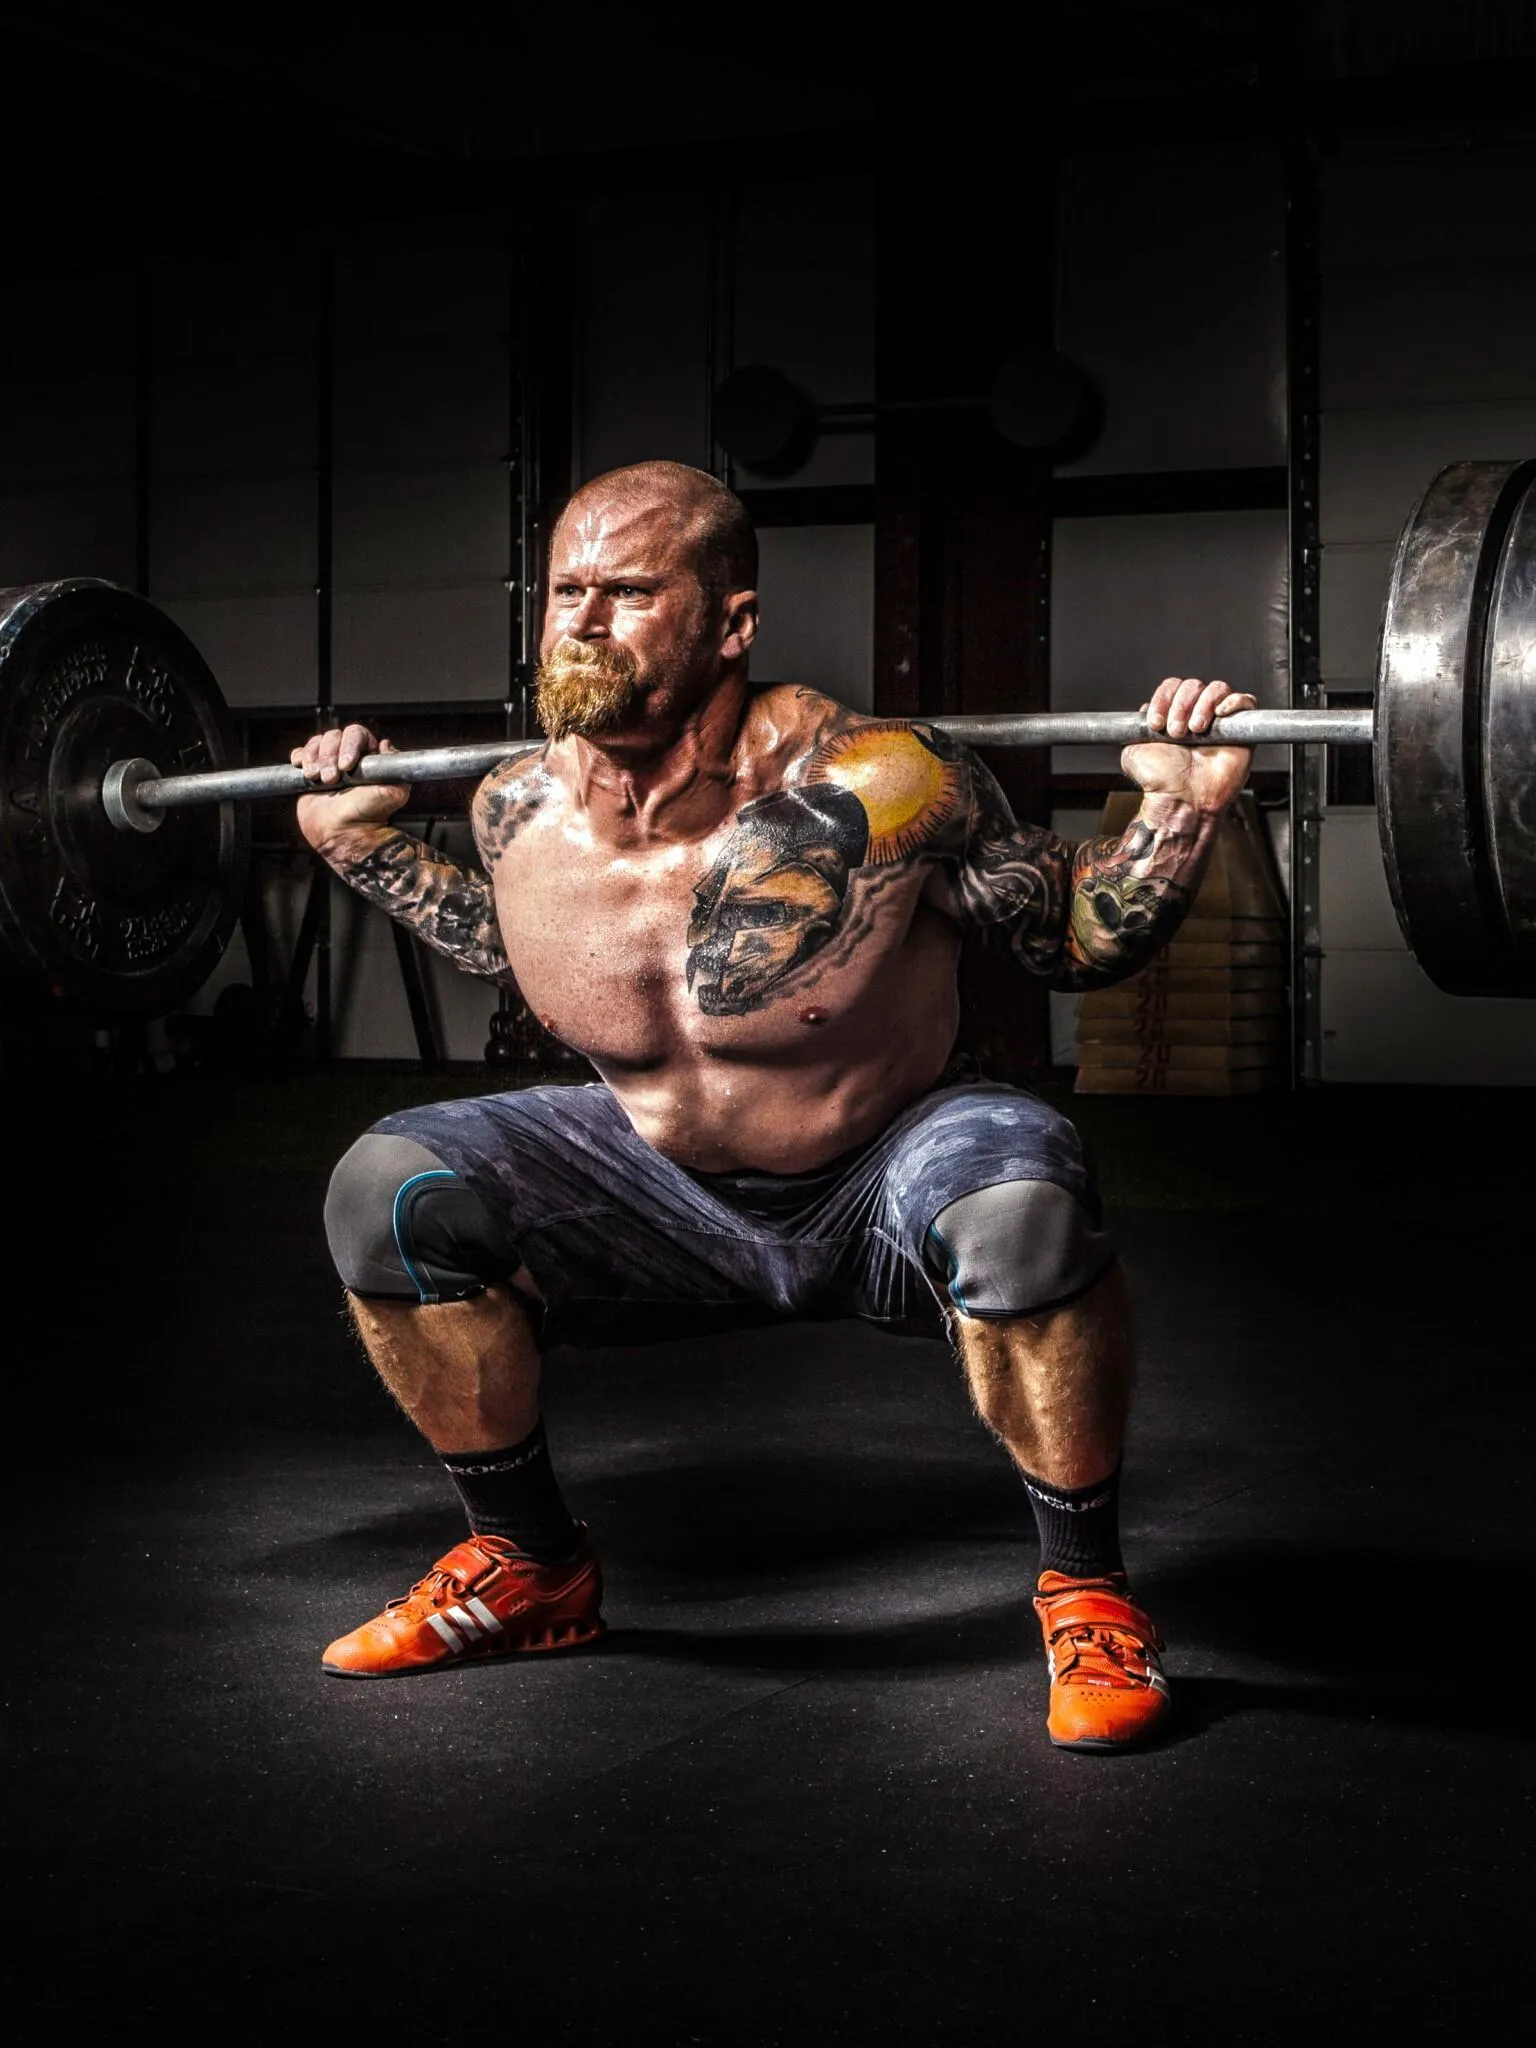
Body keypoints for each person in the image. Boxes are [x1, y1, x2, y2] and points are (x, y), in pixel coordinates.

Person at [295, 459, 1256, 1752]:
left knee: (1025, 1199)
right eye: (566, 591)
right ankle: (529, 1566)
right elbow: (513, 947)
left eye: (629, 592)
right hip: (652, 1187)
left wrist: (1177, 816)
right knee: (387, 1189)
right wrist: (360, 845)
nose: (581, 621)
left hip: (880, 1164)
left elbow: (1074, 934)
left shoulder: (890, 784)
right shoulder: (512, 808)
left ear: (732, 625)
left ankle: (1087, 1591)